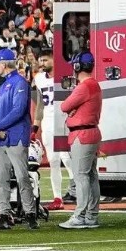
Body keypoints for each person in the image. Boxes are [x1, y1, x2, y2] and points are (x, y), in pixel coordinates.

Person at [0, 48, 37, 230]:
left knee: (21, 176)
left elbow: (18, 110)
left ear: (3, 64)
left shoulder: (19, 83)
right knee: (2, 178)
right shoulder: (7, 84)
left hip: (15, 136)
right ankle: (5, 214)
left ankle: (30, 213)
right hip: (4, 137)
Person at [59, 52, 102, 229]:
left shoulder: (84, 87)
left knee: (81, 176)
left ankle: (80, 215)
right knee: (91, 176)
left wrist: (72, 112)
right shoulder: (94, 85)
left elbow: (64, 106)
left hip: (82, 135)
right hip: (90, 133)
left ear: (77, 67)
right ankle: (91, 214)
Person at [34, 53, 73, 209]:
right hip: (48, 122)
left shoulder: (66, 74)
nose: (42, 63)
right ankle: (57, 198)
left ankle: (79, 188)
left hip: (64, 120)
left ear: (54, 59)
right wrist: (35, 126)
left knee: (67, 157)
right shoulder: (39, 78)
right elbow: (40, 105)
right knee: (53, 161)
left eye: (45, 59)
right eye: (40, 60)